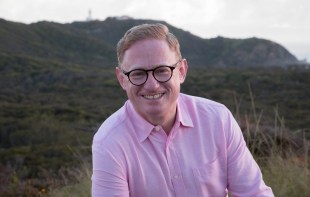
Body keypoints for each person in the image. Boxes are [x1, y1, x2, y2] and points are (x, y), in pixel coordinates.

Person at [92, 23, 274, 197]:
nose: (152, 85)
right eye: (138, 74)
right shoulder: (110, 142)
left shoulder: (218, 120)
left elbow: (254, 193)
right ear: (122, 79)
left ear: (181, 71)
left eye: (162, 70)